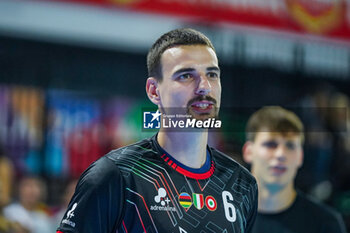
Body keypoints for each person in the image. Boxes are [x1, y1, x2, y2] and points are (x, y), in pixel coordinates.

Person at [57, 28, 258, 233]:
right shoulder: (115, 176)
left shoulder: (241, 184)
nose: (204, 86)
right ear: (154, 91)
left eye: (212, 74)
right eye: (186, 75)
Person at [242, 106, 347, 233]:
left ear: (300, 156)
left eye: (290, 146)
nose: (281, 154)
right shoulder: (224, 216)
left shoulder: (326, 224)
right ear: (248, 152)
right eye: (270, 144)